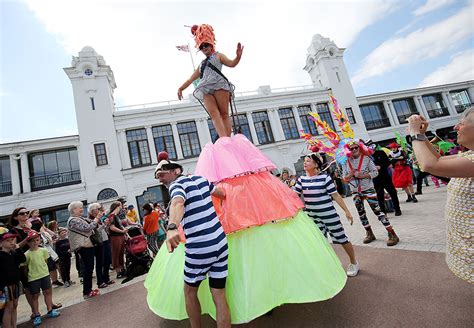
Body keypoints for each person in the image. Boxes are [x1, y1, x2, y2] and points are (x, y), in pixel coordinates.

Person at [155, 158, 231, 328]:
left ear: (176, 171)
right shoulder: (201, 179)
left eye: (162, 173)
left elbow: (178, 202)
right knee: (219, 295)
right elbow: (221, 193)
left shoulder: (176, 186)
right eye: (157, 176)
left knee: (189, 292)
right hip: (220, 241)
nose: (160, 178)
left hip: (200, 246)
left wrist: (172, 227)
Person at [408, 109, 474, 283]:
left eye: (462, 123)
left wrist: (414, 134)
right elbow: (439, 159)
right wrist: (422, 135)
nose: (456, 126)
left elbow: (430, 164)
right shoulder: (470, 155)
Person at [293, 154, 359, 277]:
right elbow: (293, 196)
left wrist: (347, 211)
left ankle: (353, 262)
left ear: (316, 164)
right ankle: (328, 265)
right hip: (312, 217)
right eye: (305, 161)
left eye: (308, 161)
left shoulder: (325, 178)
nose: (305, 163)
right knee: (320, 241)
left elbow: (335, 195)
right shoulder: (301, 179)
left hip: (329, 214)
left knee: (342, 239)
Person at [177, 24, 243, 138]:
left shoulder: (219, 56)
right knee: (213, 114)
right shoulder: (202, 64)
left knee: (224, 113)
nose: (204, 48)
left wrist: (238, 57)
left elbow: (232, 64)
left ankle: (227, 138)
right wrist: (180, 88)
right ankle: (223, 138)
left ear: (211, 43)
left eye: (206, 45)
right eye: (201, 47)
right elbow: (191, 79)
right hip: (205, 88)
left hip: (219, 85)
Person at [343, 140, 400, 246]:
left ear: (360, 148)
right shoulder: (346, 162)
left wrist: (363, 175)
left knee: (378, 211)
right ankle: (369, 233)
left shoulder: (366, 159)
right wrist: (350, 175)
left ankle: (392, 234)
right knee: (361, 213)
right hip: (355, 191)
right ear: (348, 150)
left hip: (368, 189)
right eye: (352, 148)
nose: (354, 150)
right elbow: (344, 179)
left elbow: (375, 172)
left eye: (356, 147)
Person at [23, 231, 61, 326]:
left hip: (44, 275)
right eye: (32, 241)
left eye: (37, 240)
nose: (35, 242)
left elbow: (45, 261)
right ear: (28, 243)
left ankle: (50, 310)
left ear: (40, 240)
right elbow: (25, 267)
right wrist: (28, 277)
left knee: (47, 293)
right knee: (35, 296)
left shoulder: (43, 250)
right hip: (33, 278)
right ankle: (36, 315)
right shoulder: (26, 254)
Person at [66, 201, 101, 299]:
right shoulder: (73, 220)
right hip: (83, 247)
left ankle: (88, 290)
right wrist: (97, 218)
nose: (82, 209)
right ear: (73, 210)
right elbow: (88, 228)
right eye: (79, 208)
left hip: (86, 246)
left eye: (82, 207)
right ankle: (87, 291)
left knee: (89, 268)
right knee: (88, 269)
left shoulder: (79, 218)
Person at [0, 228, 26, 328]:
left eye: (12, 240)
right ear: (1, 244)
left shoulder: (13, 253)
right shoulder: (1, 256)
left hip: (15, 282)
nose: (11, 242)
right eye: (7, 241)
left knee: (15, 305)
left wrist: (18, 248)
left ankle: (14, 325)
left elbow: (22, 259)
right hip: (6, 285)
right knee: (8, 307)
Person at [372, 146, 402, 216]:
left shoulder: (381, 153)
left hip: (385, 177)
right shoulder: (366, 157)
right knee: (380, 196)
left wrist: (380, 167)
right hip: (376, 179)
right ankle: (383, 212)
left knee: (393, 193)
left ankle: (397, 209)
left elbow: (388, 163)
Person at [107, 201, 127, 279]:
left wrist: (123, 231)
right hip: (115, 237)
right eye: (121, 206)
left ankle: (122, 270)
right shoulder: (111, 216)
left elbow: (119, 225)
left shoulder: (116, 216)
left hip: (120, 236)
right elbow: (112, 227)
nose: (122, 207)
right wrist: (122, 231)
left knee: (121, 254)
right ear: (117, 207)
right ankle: (118, 272)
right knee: (116, 254)